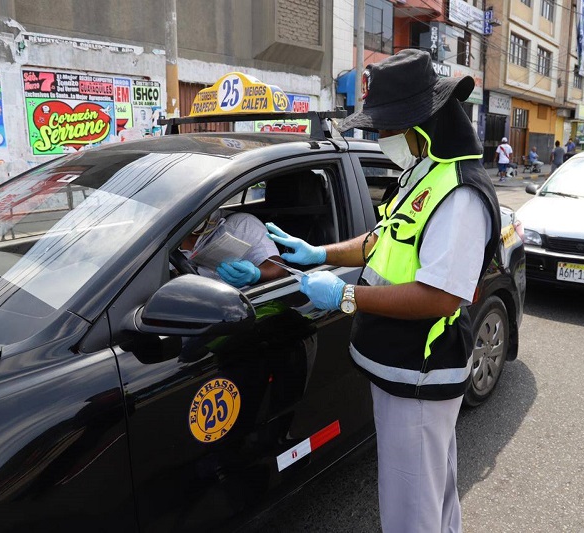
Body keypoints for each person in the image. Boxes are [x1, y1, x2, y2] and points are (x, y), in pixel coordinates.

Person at [267, 49, 500, 533]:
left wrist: (346, 297)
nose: (380, 138)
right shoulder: (424, 173)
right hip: (400, 368)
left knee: (409, 512)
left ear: (420, 126)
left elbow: (441, 296)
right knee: (434, 496)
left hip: (419, 375)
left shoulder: (458, 193)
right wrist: (320, 252)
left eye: (384, 129)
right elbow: (382, 241)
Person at [179, 209, 287, 288]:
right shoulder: (166, 234)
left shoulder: (241, 223)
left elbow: (278, 268)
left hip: (236, 308)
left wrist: (256, 274)